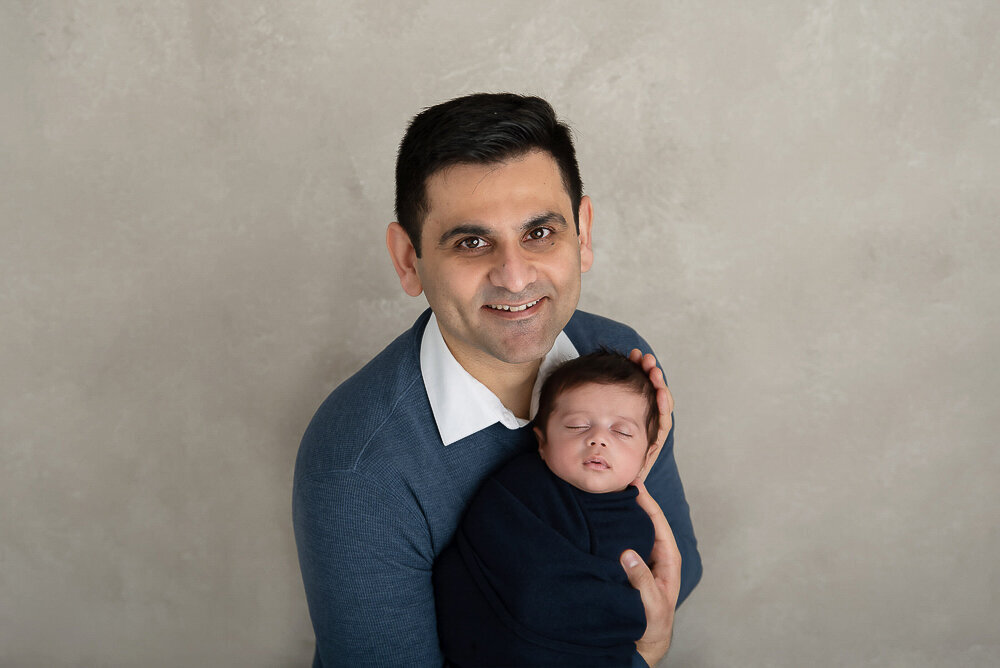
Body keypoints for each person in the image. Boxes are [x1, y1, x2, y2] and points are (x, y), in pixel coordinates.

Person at [292, 93, 702, 667]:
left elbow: (673, 576)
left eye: (540, 234)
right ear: (409, 259)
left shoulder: (620, 365)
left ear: (582, 235)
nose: (515, 277)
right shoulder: (358, 464)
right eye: (472, 242)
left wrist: (632, 475)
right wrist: (646, 653)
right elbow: (646, 624)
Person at [433, 350, 666, 667]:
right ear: (541, 442)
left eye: (622, 431)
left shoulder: (636, 523)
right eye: (577, 426)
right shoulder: (514, 489)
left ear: (648, 454)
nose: (598, 439)